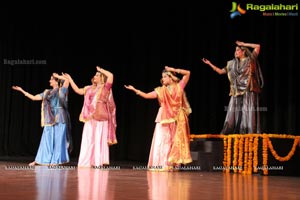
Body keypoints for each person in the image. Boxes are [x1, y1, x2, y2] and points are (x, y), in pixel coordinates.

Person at [124, 66, 192, 171]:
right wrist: (135, 89)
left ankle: (172, 164)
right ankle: (162, 164)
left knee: (174, 141)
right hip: (163, 118)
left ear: (171, 77)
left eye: (165, 77)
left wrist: (173, 69)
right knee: (162, 140)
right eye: (162, 77)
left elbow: (187, 73)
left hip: (176, 119)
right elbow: (146, 95)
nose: (162, 79)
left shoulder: (179, 87)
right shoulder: (161, 90)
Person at [202, 40, 264, 134]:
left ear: (243, 51)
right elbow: (220, 71)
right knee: (233, 110)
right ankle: (231, 129)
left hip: (248, 89)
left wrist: (244, 44)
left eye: (238, 50)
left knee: (248, 111)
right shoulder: (232, 64)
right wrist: (210, 64)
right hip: (236, 90)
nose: (235, 52)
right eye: (235, 50)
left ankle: (248, 131)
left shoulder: (251, 59)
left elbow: (258, 46)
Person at [12, 73, 72, 166]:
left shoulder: (62, 90)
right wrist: (22, 91)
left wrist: (59, 77)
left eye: (51, 79)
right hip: (50, 119)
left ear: (56, 82)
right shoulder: (46, 92)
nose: (49, 81)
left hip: (60, 117)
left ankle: (56, 161)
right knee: (46, 140)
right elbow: (34, 98)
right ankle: (40, 160)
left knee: (58, 140)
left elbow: (67, 80)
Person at [63, 66, 117, 167]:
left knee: (98, 139)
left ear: (102, 78)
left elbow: (111, 75)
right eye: (95, 75)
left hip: (101, 116)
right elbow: (78, 90)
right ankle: (87, 161)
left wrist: (101, 70)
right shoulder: (88, 88)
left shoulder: (106, 87)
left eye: (97, 75)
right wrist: (70, 79)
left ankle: (98, 161)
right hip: (89, 117)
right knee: (88, 139)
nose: (94, 76)